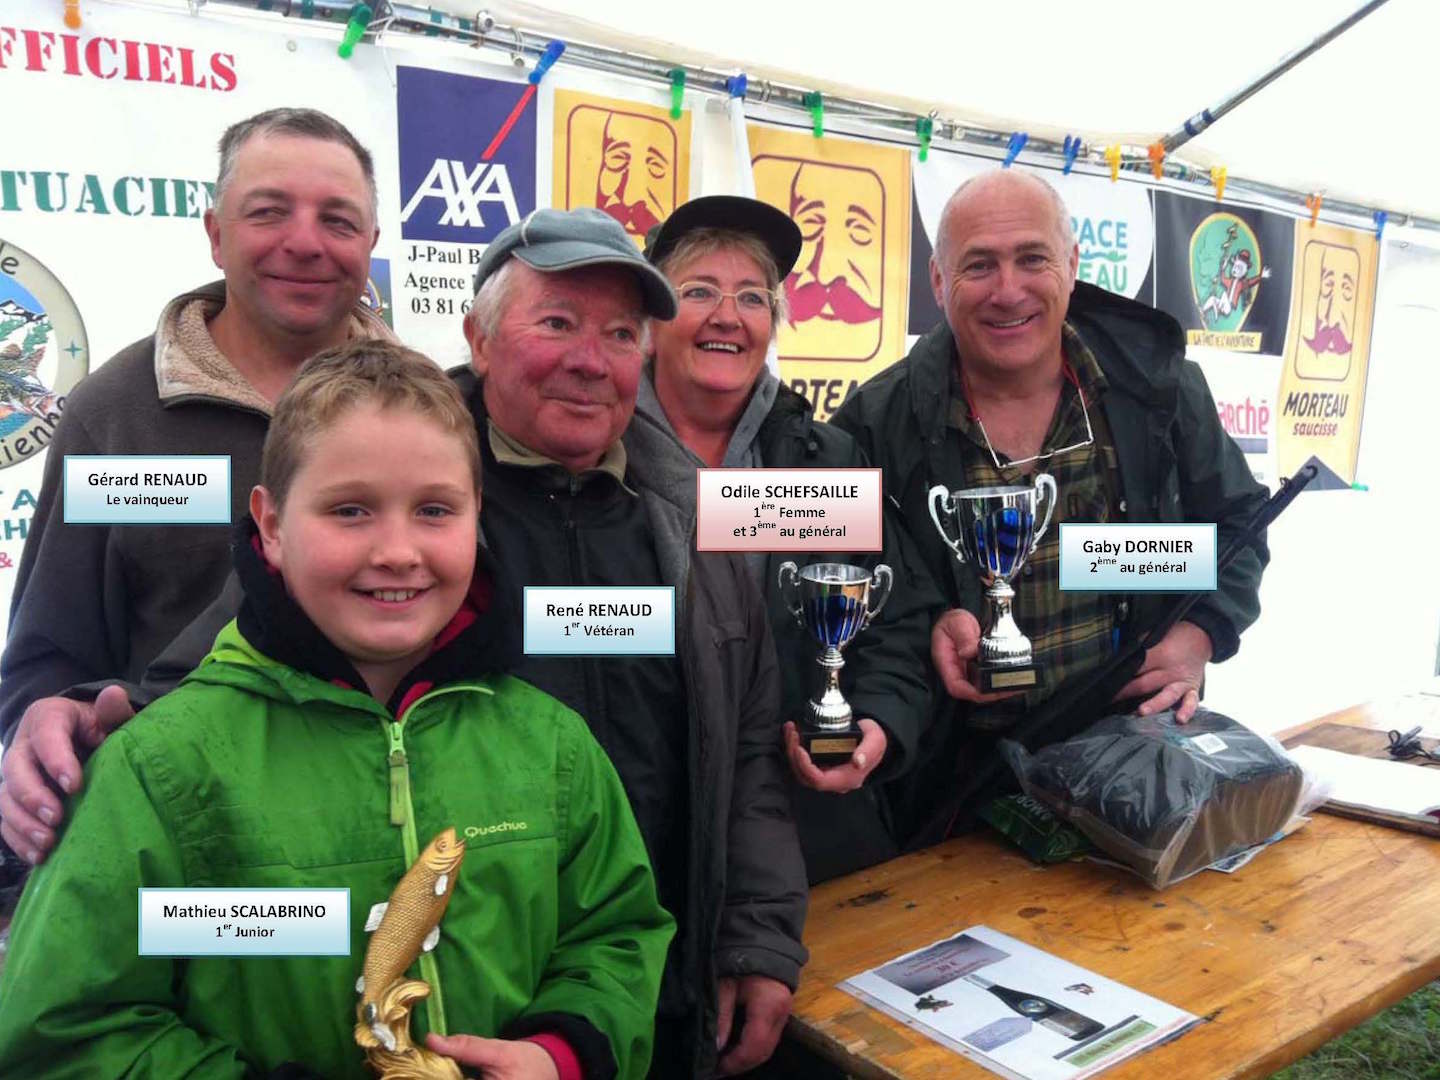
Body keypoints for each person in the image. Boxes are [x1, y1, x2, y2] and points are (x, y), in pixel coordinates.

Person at [7, 208, 808, 1079]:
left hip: (642, 1006)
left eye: (620, 333)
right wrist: (82, 714)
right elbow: (218, 678)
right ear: (480, 338)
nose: (590, 357)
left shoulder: (691, 518)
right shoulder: (410, 465)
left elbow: (743, 753)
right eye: (557, 322)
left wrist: (755, 934)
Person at [0, 342, 674, 1079]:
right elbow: (65, 1030)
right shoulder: (159, 769)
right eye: (350, 510)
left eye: (435, 510)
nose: (398, 551)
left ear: (477, 516)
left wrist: (561, 1056)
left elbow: (617, 937)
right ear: (271, 525)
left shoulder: (554, 746)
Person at [832, 169, 1270, 843]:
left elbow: (1240, 523)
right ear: (939, 282)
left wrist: (1201, 631)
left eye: (1032, 258)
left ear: (1072, 264)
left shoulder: (1155, 390)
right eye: (979, 265)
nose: (1008, 290)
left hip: (1133, 773)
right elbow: (851, 585)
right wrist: (932, 624)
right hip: (956, 800)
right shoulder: (874, 422)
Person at [0, 107, 389, 863]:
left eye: (338, 220)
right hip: (188, 854)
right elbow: (48, 657)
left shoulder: (424, 413)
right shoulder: (114, 416)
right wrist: (41, 728)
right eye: (268, 212)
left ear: (370, 242)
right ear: (215, 233)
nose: (304, 242)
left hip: (379, 837)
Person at [636, 195, 939, 882]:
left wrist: (878, 724)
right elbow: (562, 629)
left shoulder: (826, 460)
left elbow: (897, 620)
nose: (728, 316)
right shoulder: (598, 459)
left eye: (752, 297)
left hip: (809, 834)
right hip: (643, 834)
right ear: (651, 320)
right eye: (699, 291)